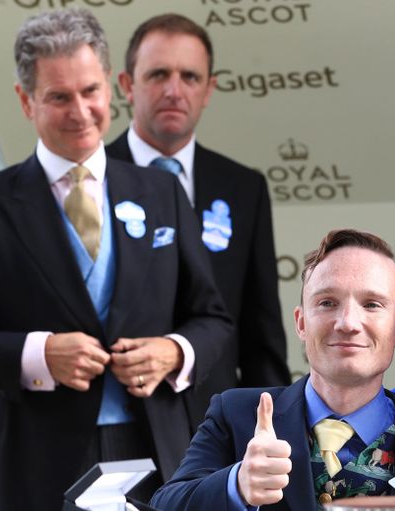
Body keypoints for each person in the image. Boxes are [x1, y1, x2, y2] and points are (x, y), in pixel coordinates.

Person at [0, 9, 233, 511]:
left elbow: (213, 319)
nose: (80, 111)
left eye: (90, 90)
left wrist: (174, 351)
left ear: (109, 88)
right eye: (59, 96)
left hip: (159, 452)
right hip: (42, 462)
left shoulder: (161, 193)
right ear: (25, 101)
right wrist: (37, 354)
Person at [151, 229, 395, 511]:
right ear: (301, 322)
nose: (348, 322)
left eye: (372, 304)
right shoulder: (236, 415)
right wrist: (236, 485)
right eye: (327, 303)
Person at [107, 14, 290, 428]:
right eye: (158, 74)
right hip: (120, 421)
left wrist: (274, 430)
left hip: (216, 425)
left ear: (209, 89)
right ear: (125, 85)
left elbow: (262, 334)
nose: (174, 90)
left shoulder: (243, 187)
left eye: (190, 77)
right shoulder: (90, 180)